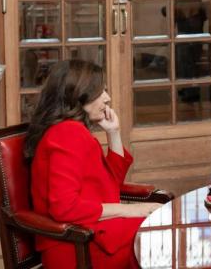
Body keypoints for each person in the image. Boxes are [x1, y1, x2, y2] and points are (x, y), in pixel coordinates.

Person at [25, 60, 160, 269]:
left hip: (93, 234)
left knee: (164, 230)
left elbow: (110, 183)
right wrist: (131, 210)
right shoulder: (68, 133)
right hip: (78, 245)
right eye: (101, 91)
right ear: (79, 95)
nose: (108, 98)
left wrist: (113, 132)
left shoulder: (69, 130)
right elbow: (64, 208)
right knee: (166, 234)